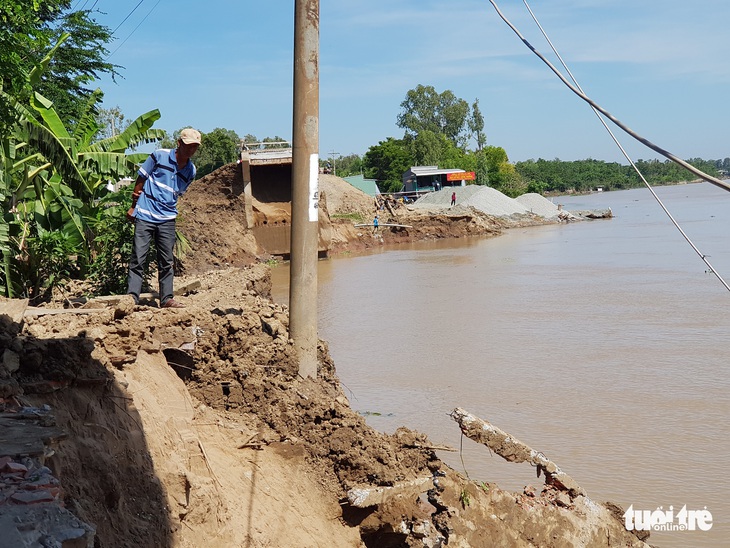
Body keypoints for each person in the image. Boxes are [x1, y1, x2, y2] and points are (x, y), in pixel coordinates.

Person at [126, 128, 201, 308]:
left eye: (195, 147)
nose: (191, 150)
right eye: (188, 146)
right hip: (145, 214)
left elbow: (177, 193)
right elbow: (141, 178)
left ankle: (166, 298)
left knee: (166, 260)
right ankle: (132, 298)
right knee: (138, 257)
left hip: (167, 218)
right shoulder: (159, 156)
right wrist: (134, 206)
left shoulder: (191, 170)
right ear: (179, 143)